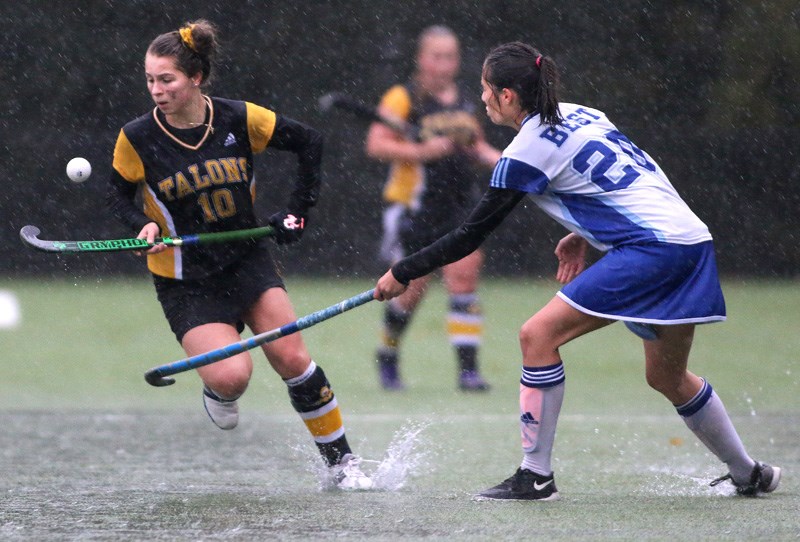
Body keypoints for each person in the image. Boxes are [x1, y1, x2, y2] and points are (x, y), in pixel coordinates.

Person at [374, 41, 781, 500]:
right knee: (667, 376)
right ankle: (749, 473)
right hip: (691, 239)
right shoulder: (582, 112)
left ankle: (535, 476)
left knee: (537, 336)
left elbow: (470, 235)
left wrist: (404, 270)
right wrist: (585, 233)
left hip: (652, 250)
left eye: (487, 89)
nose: (482, 97)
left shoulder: (524, 151)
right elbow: (634, 177)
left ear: (508, 96)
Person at [106, 20, 371, 490]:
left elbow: (310, 142)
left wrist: (296, 212)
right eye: (150, 79)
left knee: (292, 357)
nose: (156, 90)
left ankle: (343, 467)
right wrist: (141, 226)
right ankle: (216, 388)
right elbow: (118, 197)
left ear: (196, 78)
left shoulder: (238, 118)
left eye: (166, 79)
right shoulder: (137, 137)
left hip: (247, 259)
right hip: (185, 277)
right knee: (233, 377)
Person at [365, 25, 502, 391]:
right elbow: (377, 145)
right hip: (414, 208)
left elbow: (477, 147)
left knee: (464, 275)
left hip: (458, 206)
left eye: (451, 56)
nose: (444, 64)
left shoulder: (466, 101)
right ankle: (388, 352)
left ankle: (468, 372)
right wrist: (422, 152)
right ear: (421, 58)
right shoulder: (403, 97)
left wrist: (510, 163)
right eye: (437, 56)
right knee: (410, 290)